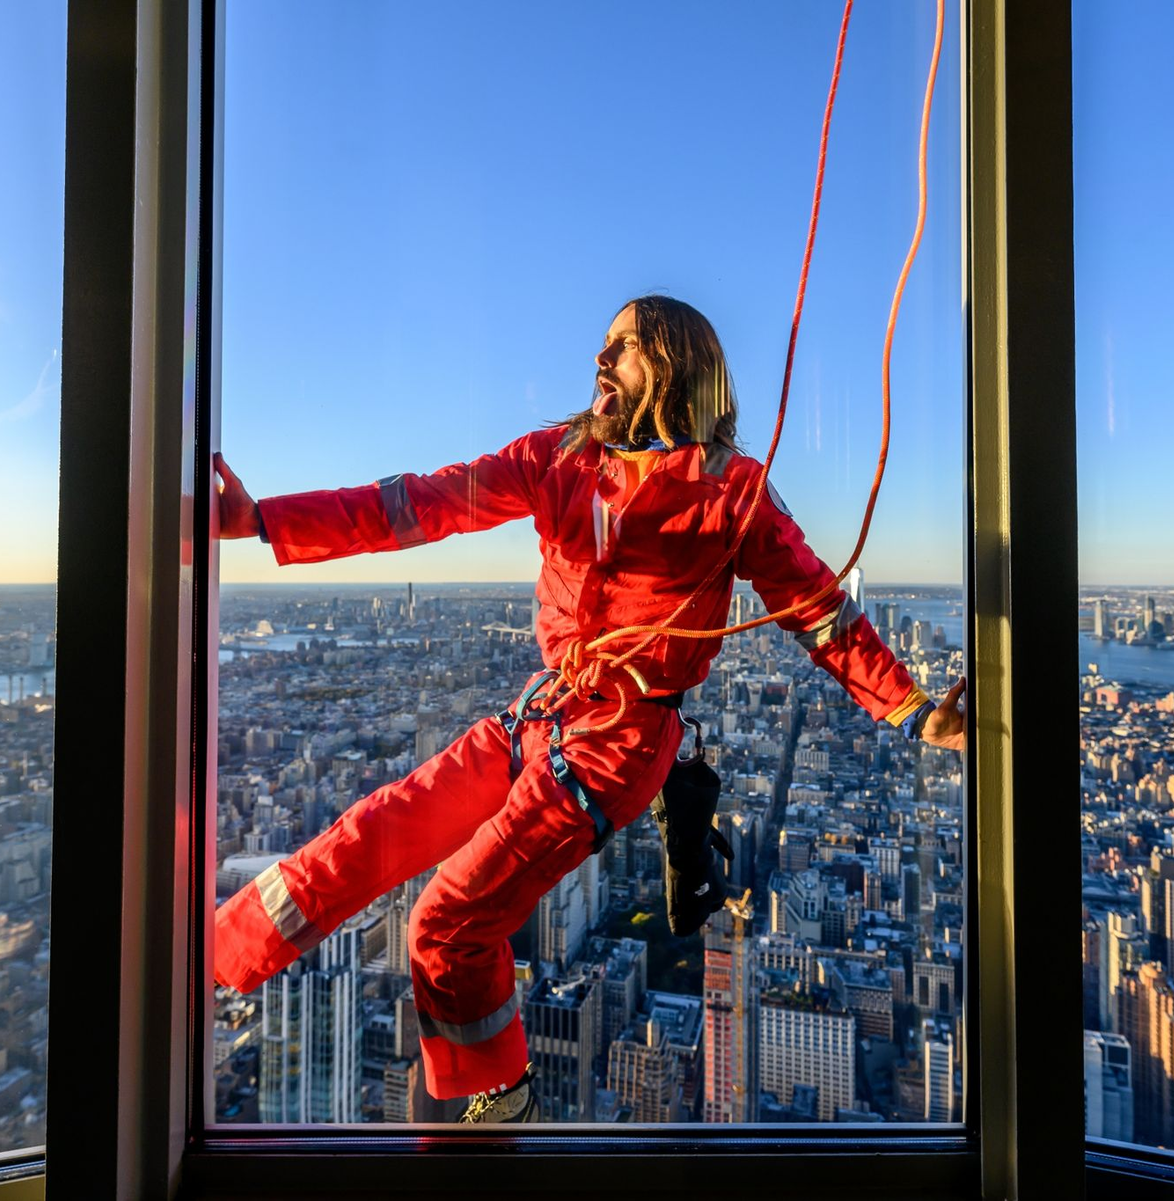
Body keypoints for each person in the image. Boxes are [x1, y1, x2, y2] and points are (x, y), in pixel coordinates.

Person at [213, 295, 966, 1124]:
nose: (602, 361)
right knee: (371, 832)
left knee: (446, 921)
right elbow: (418, 504)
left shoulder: (730, 492)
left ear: (676, 367)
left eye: (627, 348)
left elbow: (819, 610)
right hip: (542, 712)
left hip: (620, 741)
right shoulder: (558, 459)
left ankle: (494, 1101)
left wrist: (914, 710)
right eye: (604, 346)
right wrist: (260, 521)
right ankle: (212, 957)